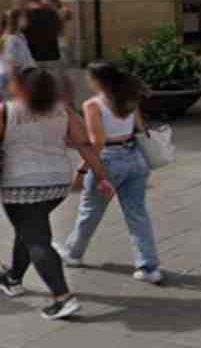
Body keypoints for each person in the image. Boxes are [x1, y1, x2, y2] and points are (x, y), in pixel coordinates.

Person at [0, 67, 110, 320]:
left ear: (20, 87)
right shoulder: (63, 110)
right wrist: (102, 176)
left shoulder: (6, 110)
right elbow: (85, 144)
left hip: (19, 184)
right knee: (29, 229)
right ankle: (13, 278)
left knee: (36, 238)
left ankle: (63, 297)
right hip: (57, 183)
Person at [59, 62, 162, 284]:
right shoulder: (129, 98)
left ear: (97, 80)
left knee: (90, 210)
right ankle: (148, 267)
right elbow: (140, 130)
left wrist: (83, 169)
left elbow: (97, 142)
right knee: (137, 213)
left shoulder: (92, 105)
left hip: (108, 160)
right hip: (135, 158)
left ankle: (73, 253)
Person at [0, 11, 31, 91]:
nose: (26, 19)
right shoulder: (10, 38)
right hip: (10, 77)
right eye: (22, 17)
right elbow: (10, 62)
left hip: (19, 75)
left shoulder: (20, 36)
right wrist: (14, 82)